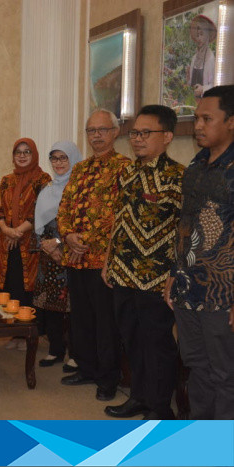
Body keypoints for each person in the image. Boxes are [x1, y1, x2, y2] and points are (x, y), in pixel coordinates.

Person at [102, 105, 184, 420]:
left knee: (157, 344)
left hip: (157, 278)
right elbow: (119, 220)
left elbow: (185, 232)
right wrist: (109, 259)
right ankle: (138, 397)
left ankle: (161, 408)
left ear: (167, 137)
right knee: (131, 339)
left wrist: (176, 275)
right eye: (135, 133)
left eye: (145, 133)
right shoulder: (127, 172)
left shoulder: (179, 177)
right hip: (123, 272)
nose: (137, 139)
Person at [165, 85, 234, 419]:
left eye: (208, 118)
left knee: (226, 376)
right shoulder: (194, 166)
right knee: (196, 368)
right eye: (197, 118)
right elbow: (184, 226)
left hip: (224, 294)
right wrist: (172, 277)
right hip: (188, 288)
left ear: (231, 121)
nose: (199, 126)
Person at [56, 109, 131, 401]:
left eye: (102, 130)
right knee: (81, 319)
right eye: (91, 131)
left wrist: (83, 241)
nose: (96, 135)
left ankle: (107, 379)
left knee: (105, 323)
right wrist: (68, 235)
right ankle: (86, 368)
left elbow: (118, 215)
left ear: (115, 132)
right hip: (75, 259)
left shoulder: (125, 168)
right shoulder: (80, 168)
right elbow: (65, 207)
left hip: (103, 261)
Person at [0, 138, 51, 350]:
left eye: (27, 152)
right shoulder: (7, 180)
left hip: (31, 245)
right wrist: (7, 230)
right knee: (9, 285)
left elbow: (42, 210)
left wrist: (19, 231)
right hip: (6, 243)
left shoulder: (43, 179)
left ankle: (28, 334)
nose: (22, 155)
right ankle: (13, 333)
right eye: (18, 152)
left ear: (34, 155)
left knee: (28, 288)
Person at [33, 141, 81, 367]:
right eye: (54, 158)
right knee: (51, 306)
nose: (59, 163)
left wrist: (59, 243)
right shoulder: (47, 189)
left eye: (64, 158)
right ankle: (55, 350)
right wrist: (45, 245)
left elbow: (82, 225)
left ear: (73, 159)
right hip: (48, 256)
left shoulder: (80, 188)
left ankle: (76, 354)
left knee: (73, 309)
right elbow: (38, 225)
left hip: (72, 255)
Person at [188, 14, 216, 99]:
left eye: (201, 34)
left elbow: (216, 84)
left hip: (206, 102)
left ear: (208, 35)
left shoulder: (211, 59)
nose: (199, 38)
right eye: (197, 35)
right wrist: (188, 80)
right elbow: (191, 84)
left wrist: (203, 89)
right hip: (193, 102)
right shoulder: (194, 58)